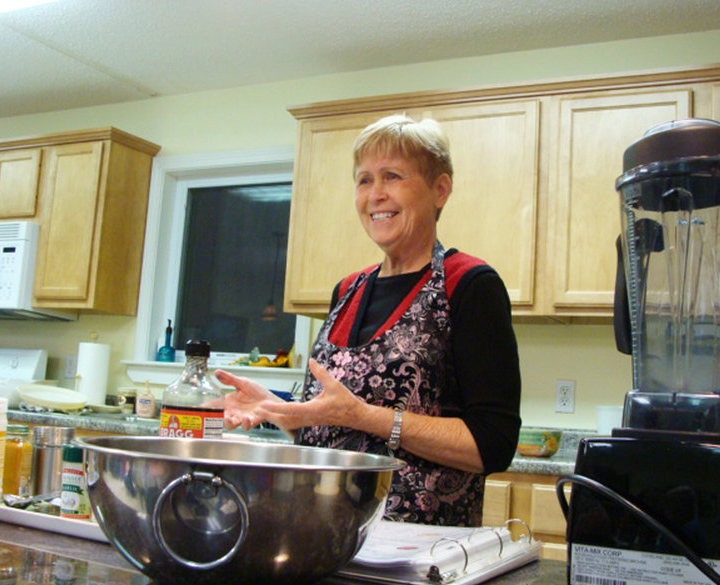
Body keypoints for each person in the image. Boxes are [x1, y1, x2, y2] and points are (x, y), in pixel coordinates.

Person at [216, 114, 521, 526]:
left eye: (392, 176)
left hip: (416, 555)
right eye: (364, 180)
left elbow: (493, 445)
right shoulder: (347, 291)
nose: (375, 194)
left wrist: (363, 417)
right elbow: (331, 423)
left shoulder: (468, 285)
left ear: (440, 189)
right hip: (319, 533)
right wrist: (280, 409)